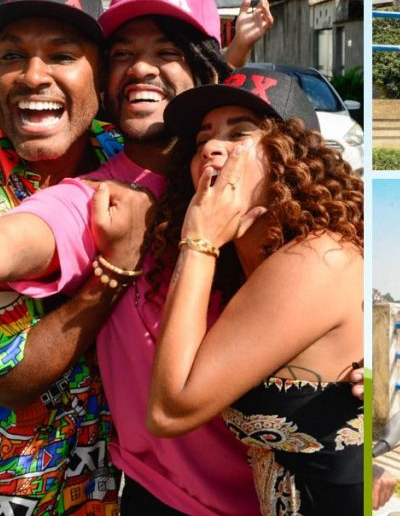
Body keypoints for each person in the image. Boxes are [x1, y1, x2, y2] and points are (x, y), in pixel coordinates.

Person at [0, 0, 275, 514]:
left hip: (92, 485)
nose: (34, 76)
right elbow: (9, 369)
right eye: (12, 55)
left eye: (61, 55)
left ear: (95, 80)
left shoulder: (121, 149)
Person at [98, 68, 363, 515]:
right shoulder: (248, 270)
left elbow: (169, 411)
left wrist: (199, 240)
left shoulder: (316, 257)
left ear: (290, 154)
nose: (212, 147)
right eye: (202, 139)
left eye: (240, 133)